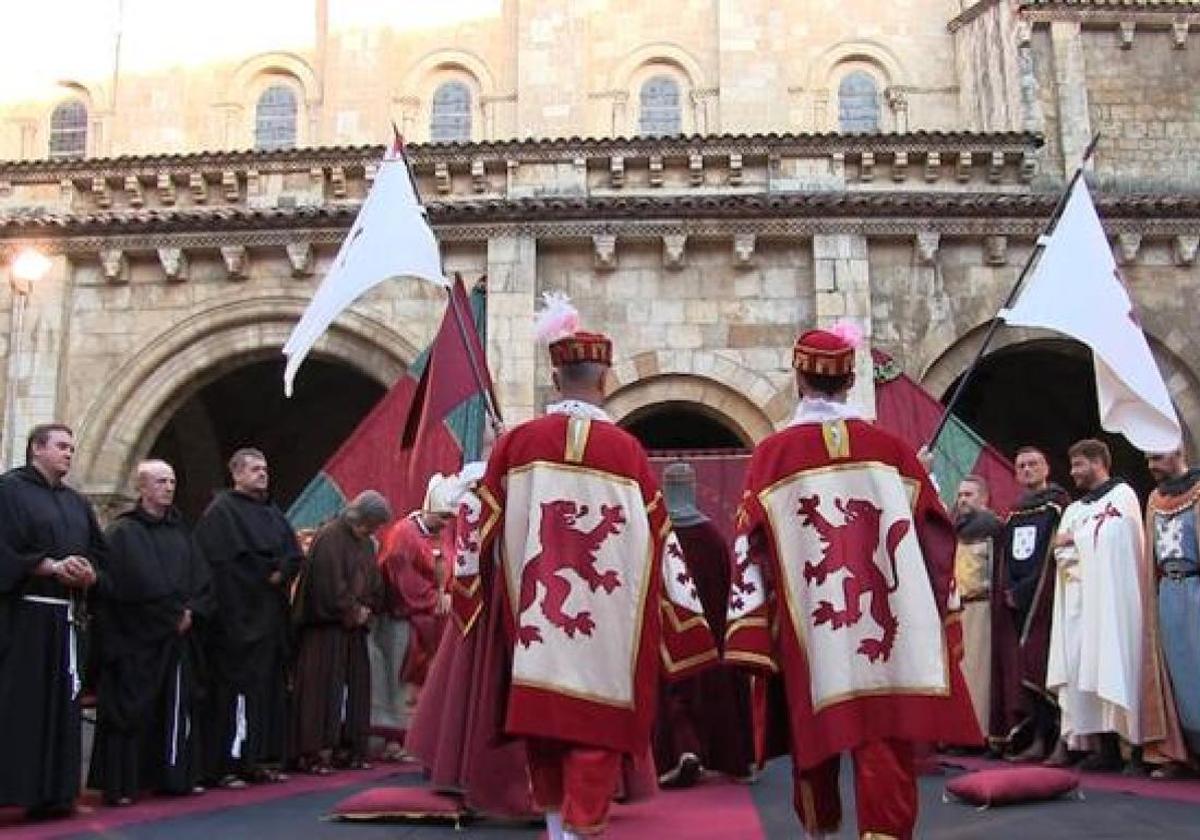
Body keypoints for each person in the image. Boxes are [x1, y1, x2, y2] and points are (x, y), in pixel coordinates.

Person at [456, 295, 714, 839]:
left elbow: (474, 526)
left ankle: (559, 832)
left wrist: (468, 595)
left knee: (546, 732)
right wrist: (685, 625)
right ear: (605, 379)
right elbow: (663, 543)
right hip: (607, 631)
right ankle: (578, 832)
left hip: (535, 627)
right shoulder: (628, 453)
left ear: (555, 377)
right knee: (595, 734)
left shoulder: (517, 445)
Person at [724, 325, 979, 839]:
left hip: (814, 620)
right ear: (851, 379)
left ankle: (820, 828)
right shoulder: (894, 451)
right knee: (884, 732)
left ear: (798, 379)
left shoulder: (771, 456)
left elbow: (748, 547)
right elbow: (936, 539)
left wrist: (754, 622)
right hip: (892, 618)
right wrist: (940, 608)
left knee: (812, 724)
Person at [1045, 438, 1176, 772]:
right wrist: (1077, 545)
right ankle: (1103, 747)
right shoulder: (1074, 509)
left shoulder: (1124, 497)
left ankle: (1133, 746)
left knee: (1118, 663)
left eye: (1078, 464)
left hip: (1115, 601)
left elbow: (1120, 542)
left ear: (1099, 463)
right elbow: (1059, 552)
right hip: (1080, 602)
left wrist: (1077, 539)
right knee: (1082, 668)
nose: (1072, 472)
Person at [88, 460, 213, 805]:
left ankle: (173, 777)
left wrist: (190, 612)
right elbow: (124, 586)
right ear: (141, 487)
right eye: (160, 481)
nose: (169, 487)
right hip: (135, 641)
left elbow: (201, 581)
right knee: (131, 711)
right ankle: (123, 785)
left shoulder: (181, 533)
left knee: (175, 708)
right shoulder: (122, 533)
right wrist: (167, 616)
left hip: (177, 639)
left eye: (172, 481)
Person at [0, 423, 105, 818]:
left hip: (69, 619)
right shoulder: (9, 491)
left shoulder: (77, 503)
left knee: (64, 709)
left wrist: (89, 572)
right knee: (25, 708)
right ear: (36, 449)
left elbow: (99, 552)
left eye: (72, 448)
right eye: (61, 446)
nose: (69, 454)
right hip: (26, 618)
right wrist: (48, 565)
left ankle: (57, 795)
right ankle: (20, 793)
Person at [194, 447, 302, 787]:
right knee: (233, 695)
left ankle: (260, 758)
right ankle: (229, 763)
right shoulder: (221, 513)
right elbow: (218, 567)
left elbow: (293, 555)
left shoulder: (273, 513)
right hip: (236, 622)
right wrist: (260, 575)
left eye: (265, 468)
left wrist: (282, 570)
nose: (262, 473)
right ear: (236, 474)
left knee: (267, 693)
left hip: (269, 620)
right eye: (255, 469)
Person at [653, 462, 754, 787]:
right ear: (691, 488)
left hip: (670, 631)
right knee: (715, 688)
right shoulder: (710, 536)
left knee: (671, 690)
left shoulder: (658, 533)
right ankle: (725, 757)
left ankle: (680, 752)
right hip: (711, 635)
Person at [291, 490, 391, 774]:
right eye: (370, 523)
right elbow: (326, 584)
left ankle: (348, 748)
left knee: (355, 689)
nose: (371, 530)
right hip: (326, 630)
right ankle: (315, 752)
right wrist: (350, 610)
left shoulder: (367, 544)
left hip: (354, 631)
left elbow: (374, 581)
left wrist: (368, 607)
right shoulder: (330, 537)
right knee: (322, 692)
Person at [989, 446, 1071, 761]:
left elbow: (1052, 553)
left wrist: (1029, 590)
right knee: (1026, 665)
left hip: (1046, 600)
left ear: (1046, 467)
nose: (1026, 469)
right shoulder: (1016, 511)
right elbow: (1008, 555)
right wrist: (1009, 588)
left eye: (1033, 463)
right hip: (1018, 602)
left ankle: (1059, 740)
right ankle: (1037, 737)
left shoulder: (1058, 505)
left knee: (1048, 665)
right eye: (1021, 465)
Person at [371, 483, 456, 758]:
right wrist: (436, 598)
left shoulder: (438, 534)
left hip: (430, 621)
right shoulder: (403, 535)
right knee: (397, 678)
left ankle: (413, 740)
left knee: (418, 684)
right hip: (403, 619)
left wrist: (448, 592)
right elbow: (404, 581)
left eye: (449, 519)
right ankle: (391, 741)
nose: (446, 524)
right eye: (443, 517)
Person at [1143, 448, 1196, 776]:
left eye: (1157, 458)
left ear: (1177, 452)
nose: (1151, 466)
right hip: (1167, 594)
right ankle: (1181, 753)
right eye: (1148, 459)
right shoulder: (1154, 500)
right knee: (1174, 676)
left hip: (1195, 588)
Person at [953, 475, 1003, 741]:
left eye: (968, 495)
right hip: (957, 609)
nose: (962, 499)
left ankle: (979, 734)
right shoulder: (957, 530)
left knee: (979, 674)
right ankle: (960, 733)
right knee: (960, 674)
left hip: (982, 606)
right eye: (960, 495)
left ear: (984, 498)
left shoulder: (993, 528)